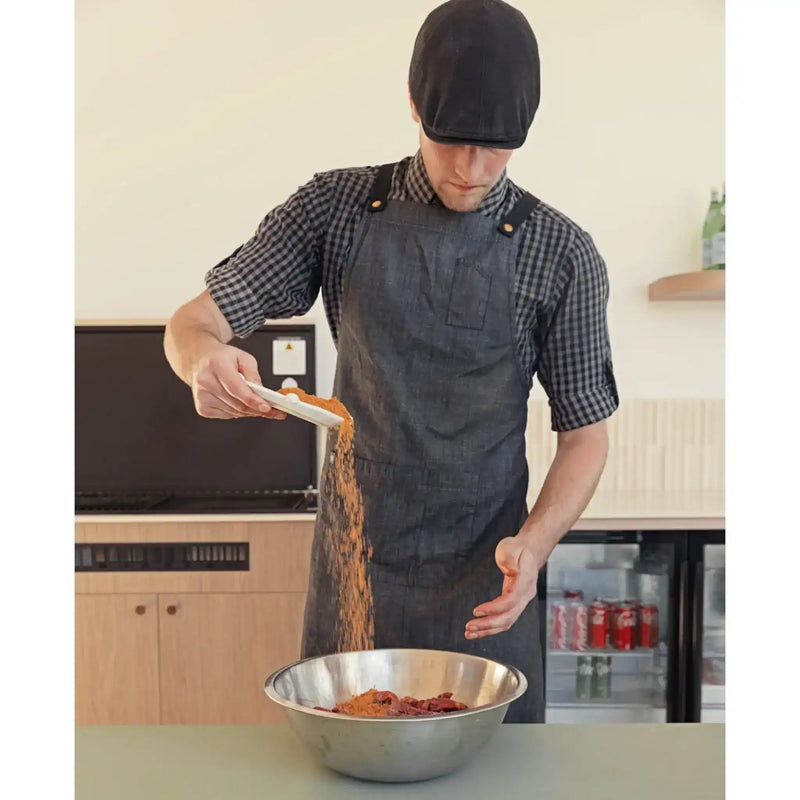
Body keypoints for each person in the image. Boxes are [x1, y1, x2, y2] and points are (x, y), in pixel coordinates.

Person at [164, 0, 618, 723]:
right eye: (451, 141)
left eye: (495, 148)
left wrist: (534, 548)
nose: (470, 170)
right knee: (350, 753)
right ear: (413, 105)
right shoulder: (336, 208)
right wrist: (202, 359)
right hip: (357, 567)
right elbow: (195, 321)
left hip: (488, 580)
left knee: (494, 770)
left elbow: (586, 435)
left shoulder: (561, 253)